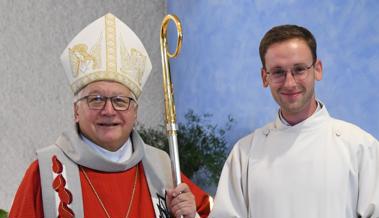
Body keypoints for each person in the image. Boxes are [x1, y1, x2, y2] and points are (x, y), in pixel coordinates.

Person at [9, 13, 211, 218]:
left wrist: (191, 216)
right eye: (96, 99)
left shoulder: (163, 169)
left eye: (120, 101)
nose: (108, 110)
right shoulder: (46, 173)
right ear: (76, 111)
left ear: (135, 112)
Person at [210, 24, 379, 218]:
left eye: (299, 70)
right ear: (265, 77)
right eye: (278, 72)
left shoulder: (361, 147)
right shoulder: (245, 154)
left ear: (317, 70)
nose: (290, 83)